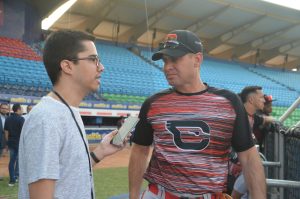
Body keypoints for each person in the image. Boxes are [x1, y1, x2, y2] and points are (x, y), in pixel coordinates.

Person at [128, 30, 266, 199]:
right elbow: (140, 151)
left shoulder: (230, 102)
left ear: (197, 59)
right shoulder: (152, 104)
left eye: (175, 59)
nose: (167, 67)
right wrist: (133, 195)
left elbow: (249, 158)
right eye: (165, 61)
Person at [18, 30, 126, 199]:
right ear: (67, 66)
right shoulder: (47, 119)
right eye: (93, 59)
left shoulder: (68, 111)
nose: (101, 67)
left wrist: (100, 152)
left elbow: (69, 173)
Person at [231, 87, 275, 199]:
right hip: (231, 171)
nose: (264, 100)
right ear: (251, 100)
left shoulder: (251, 116)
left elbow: (265, 119)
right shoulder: (236, 118)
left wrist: (272, 119)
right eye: (261, 97)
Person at [4, 103, 24, 186]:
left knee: (12, 161)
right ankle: (16, 176)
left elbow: (6, 131)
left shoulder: (8, 119)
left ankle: (12, 179)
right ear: (18, 110)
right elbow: (23, 132)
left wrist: (7, 142)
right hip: (19, 143)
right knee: (19, 160)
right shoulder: (21, 119)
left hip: (11, 142)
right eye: (22, 109)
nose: (22, 110)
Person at [0, 103, 9, 180]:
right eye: (3, 108)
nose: (4, 110)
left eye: (6, 108)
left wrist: (6, 143)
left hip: (2, 142)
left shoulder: (7, 118)